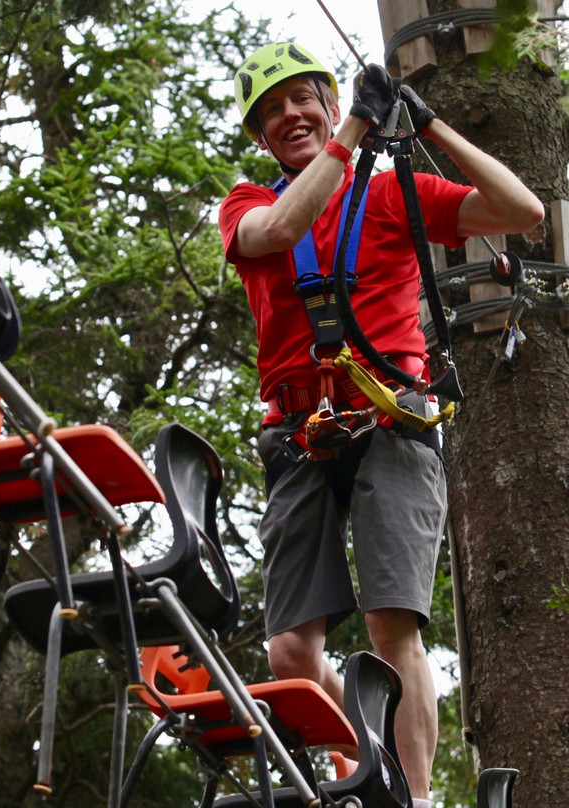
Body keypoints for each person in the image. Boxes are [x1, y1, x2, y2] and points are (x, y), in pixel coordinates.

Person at [219, 42, 543, 806]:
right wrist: (352, 134)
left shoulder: (393, 194)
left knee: (392, 626)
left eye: (305, 100)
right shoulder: (247, 205)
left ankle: (414, 799)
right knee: (291, 650)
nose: (290, 116)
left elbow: (521, 211)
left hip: (391, 422)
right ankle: (359, 771)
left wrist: (429, 127)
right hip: (300, 435)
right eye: (273, 112)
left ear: (330, 104)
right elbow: (277, 232)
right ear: (262, 139)